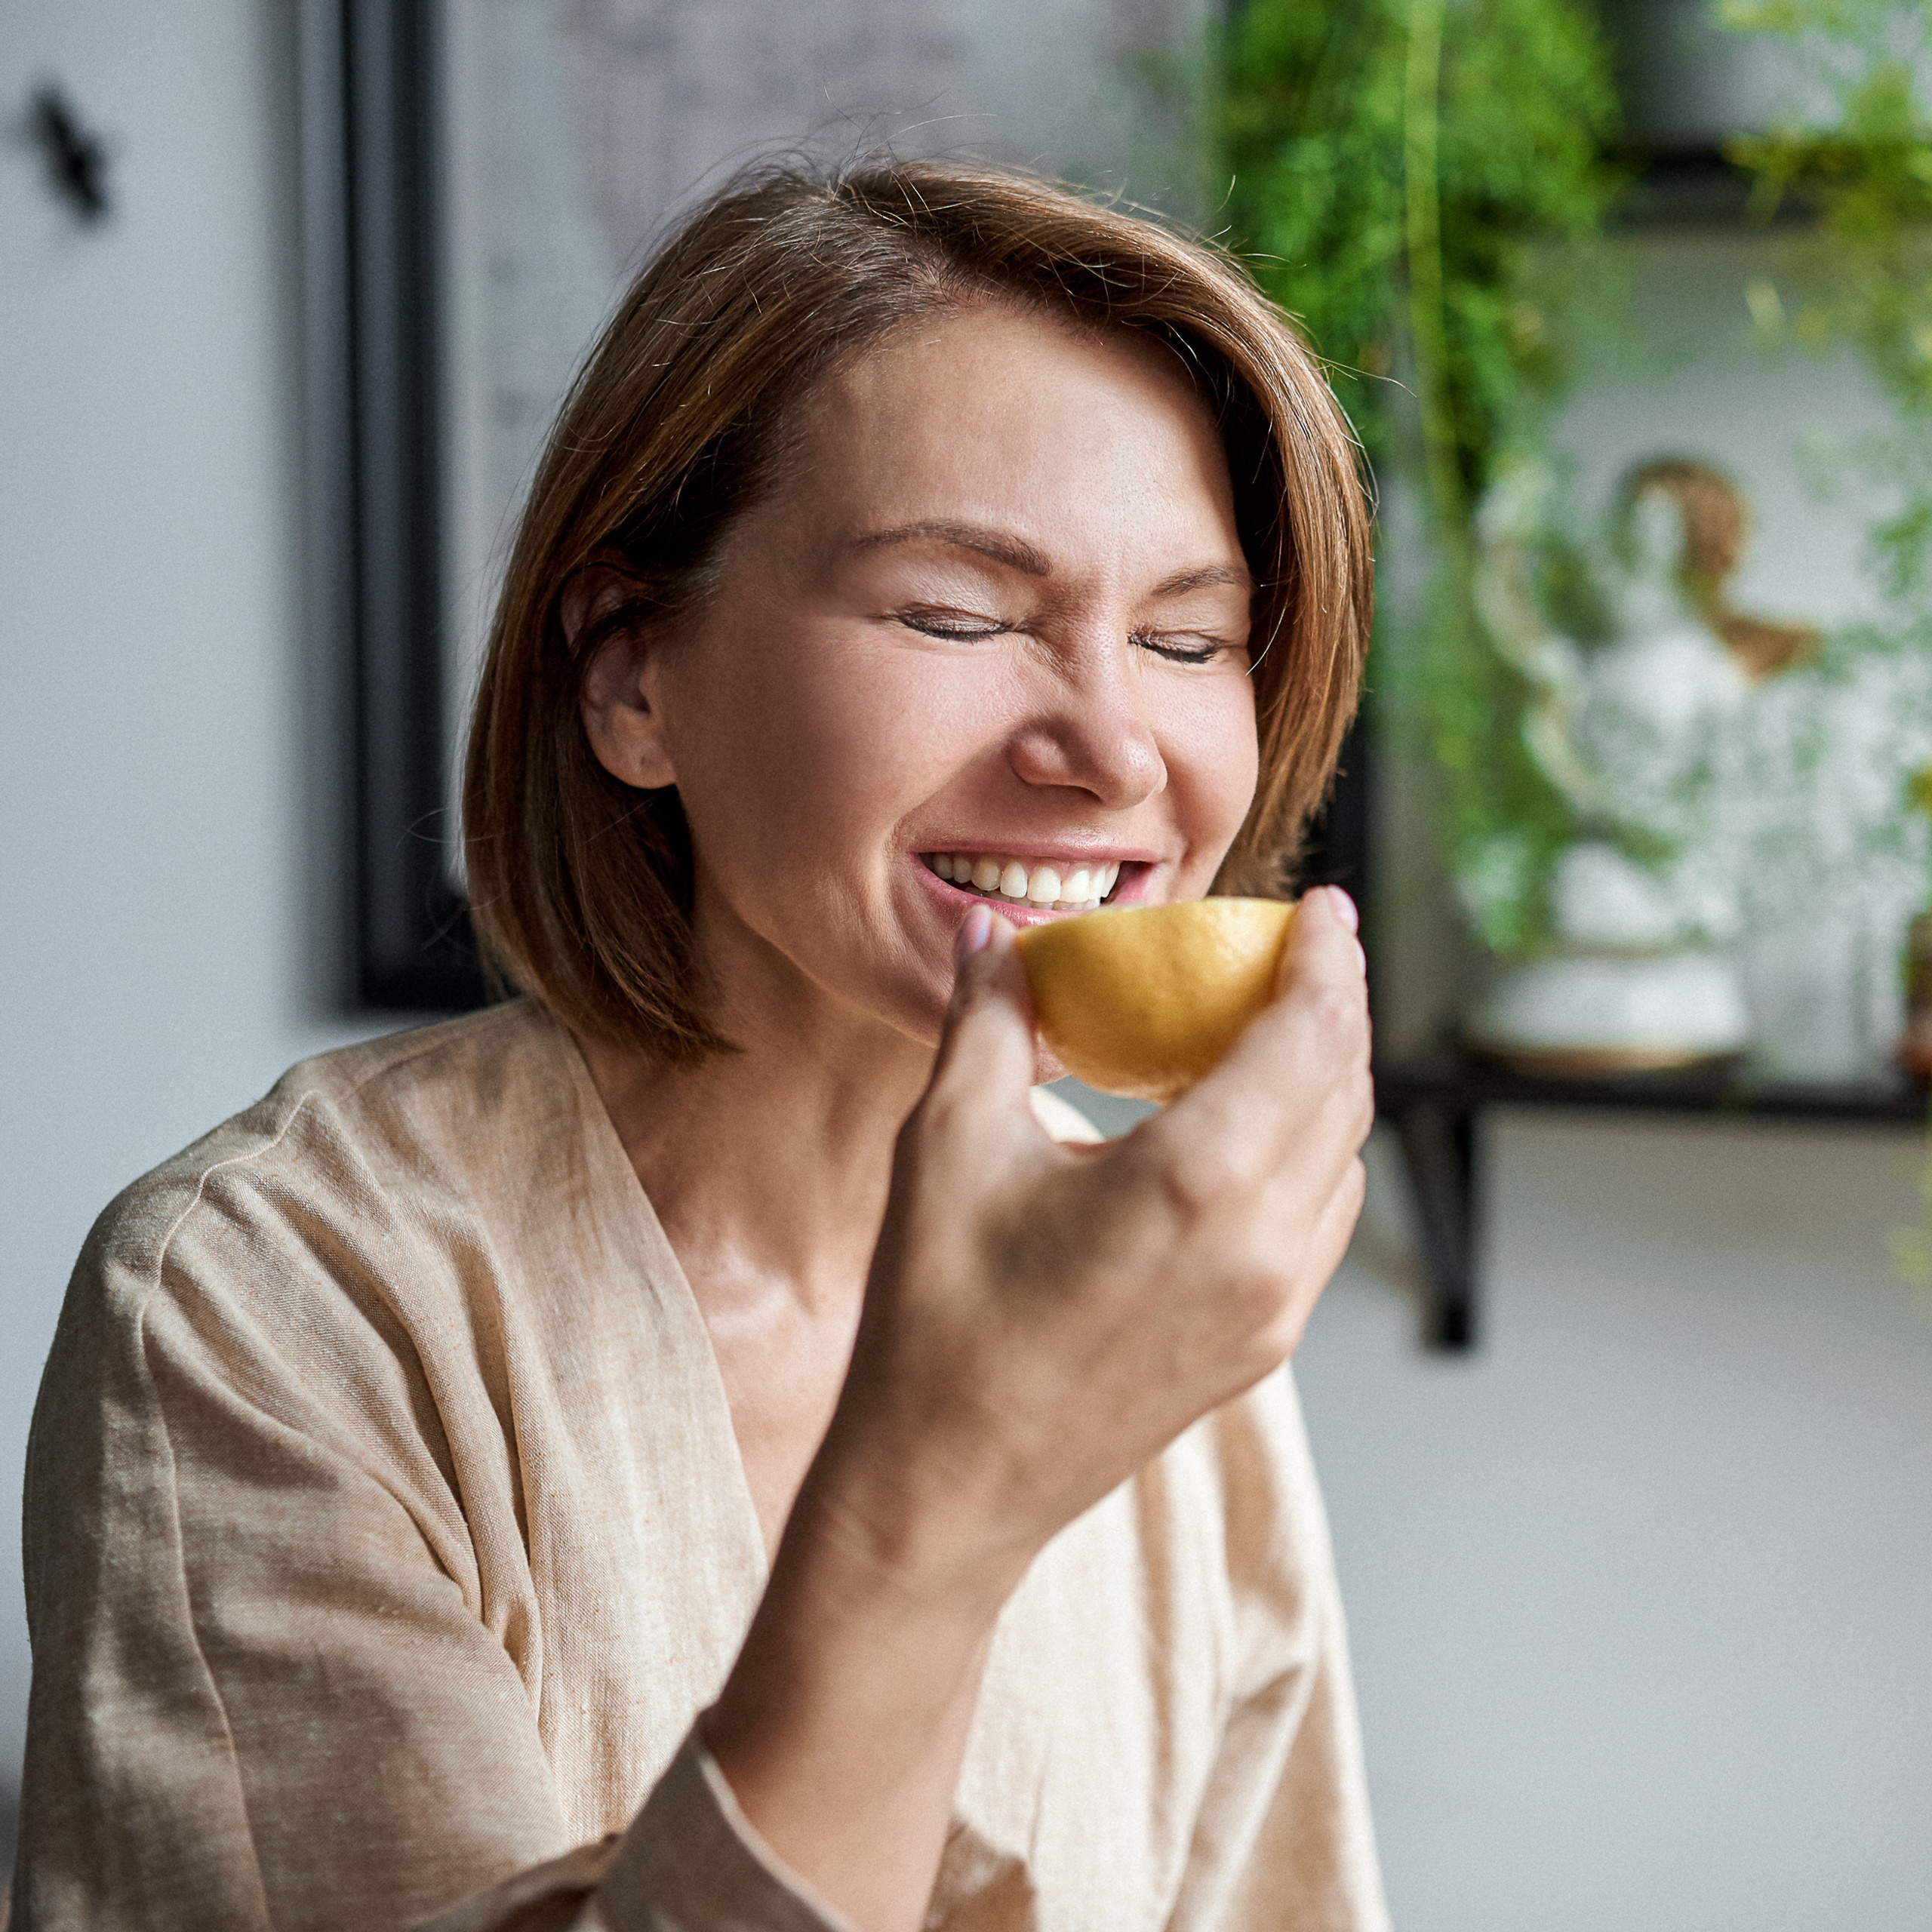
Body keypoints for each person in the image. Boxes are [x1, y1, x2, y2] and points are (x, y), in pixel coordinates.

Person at [12, 158, 1383, 1931]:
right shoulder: (274, 1302)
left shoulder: (1157, 1293)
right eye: (955, 615)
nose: (1113, 751)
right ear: (631, 675)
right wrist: (941, 1501)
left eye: (1187, 639)